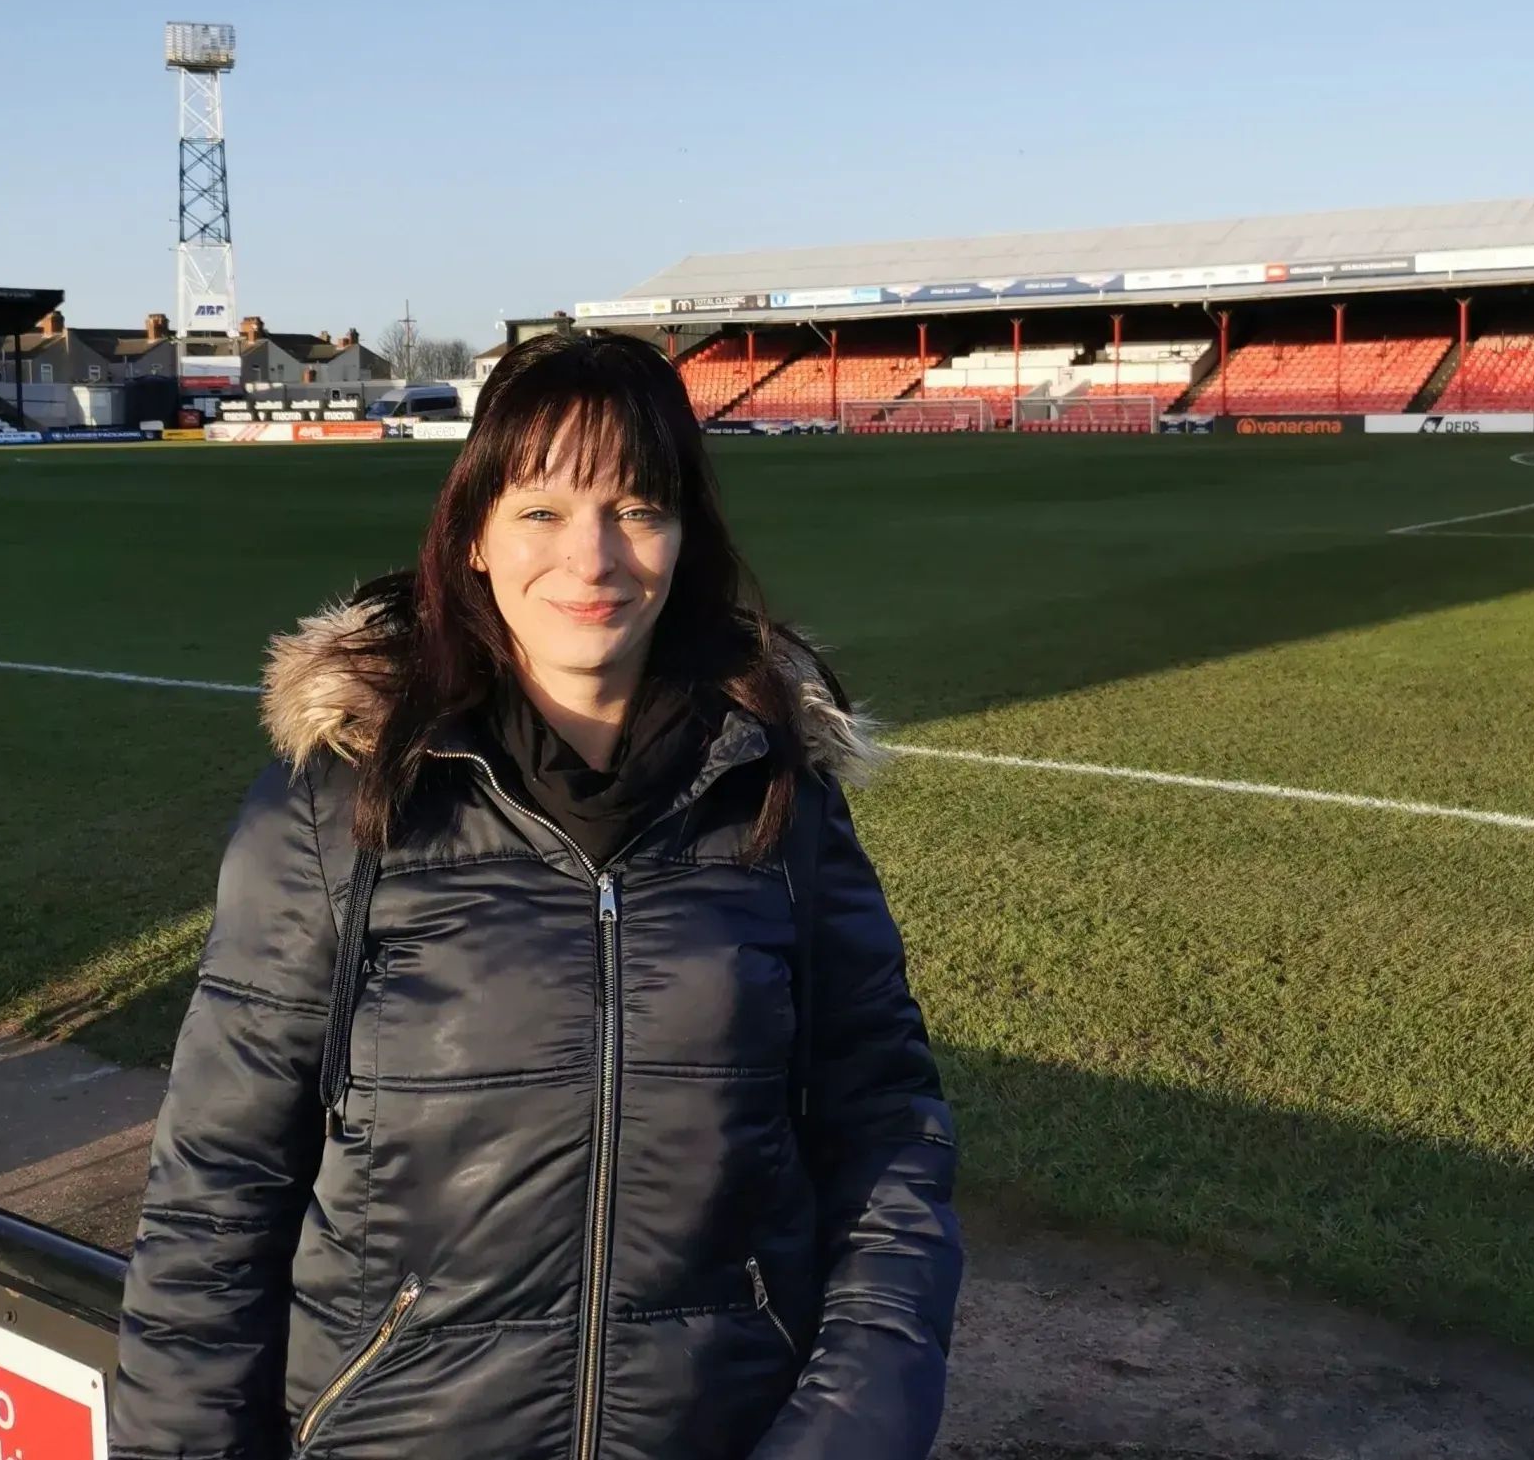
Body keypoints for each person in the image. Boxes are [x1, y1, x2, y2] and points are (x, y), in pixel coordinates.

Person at [109, 333, 961, 1460]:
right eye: (542, 511)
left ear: (684, 535)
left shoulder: (777, 799)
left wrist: (845, 1433)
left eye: (637, 507)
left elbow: (888, 1140)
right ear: (472, 536)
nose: (593, 557)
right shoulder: (335, 811)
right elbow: (216, 1192)